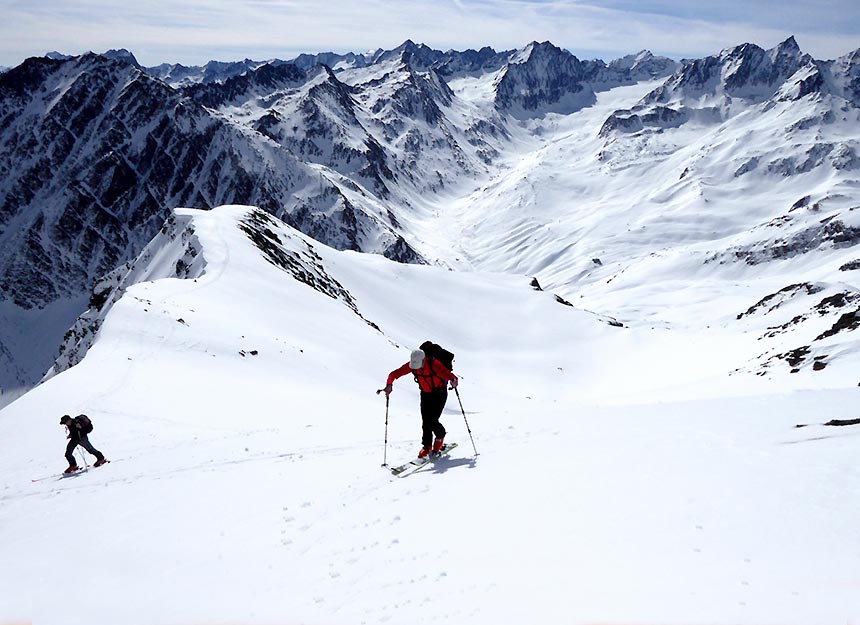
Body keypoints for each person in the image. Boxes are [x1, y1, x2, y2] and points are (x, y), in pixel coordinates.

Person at [385, 348, 458, 458]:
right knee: (425, 421)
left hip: (439, 394)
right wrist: (389, 384)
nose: (416, 367)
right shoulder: (412, 365)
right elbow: (394, 374)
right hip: (425, 394)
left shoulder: (434, 364)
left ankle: (440, 435)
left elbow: (448, 374)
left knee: (432, 420)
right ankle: (427, 446)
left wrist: (453, 380)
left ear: (424, 360)